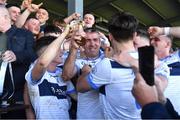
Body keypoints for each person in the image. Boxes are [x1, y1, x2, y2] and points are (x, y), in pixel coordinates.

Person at [75, 12, 142, 119]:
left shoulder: (108, 65)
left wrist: (86, 72)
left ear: (110, 37)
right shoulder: (150, 60)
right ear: (134, 35)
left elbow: (81, 87)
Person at [25, 26, 76, 119]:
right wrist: (64, 34)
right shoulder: (34, 71)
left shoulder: (61, 73)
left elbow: (75, 96)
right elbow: (42, 63)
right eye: (58, 49)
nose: (62, 51)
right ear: (47, 52)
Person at [0, 6, 36, 119]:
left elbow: (33, 55)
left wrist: (16, 56)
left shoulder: (25, 34)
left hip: (19, 96)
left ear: (5, 17)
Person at [62, 27, 105, 119]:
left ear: (100, 42)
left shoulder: (108, 58)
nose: (92, 44)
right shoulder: (77, 60)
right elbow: (66, 76)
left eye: (95, 40)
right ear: (83, 43)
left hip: (107, 115)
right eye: (88, 40)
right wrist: (73, 49)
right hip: (86, 115)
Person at [148, 26, 180, 114]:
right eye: (152, 39)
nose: (151, 42)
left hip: (172, 115)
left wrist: (164, 30)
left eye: (156, 39)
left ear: (167, 44)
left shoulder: (177, 58)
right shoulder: (144, 60)